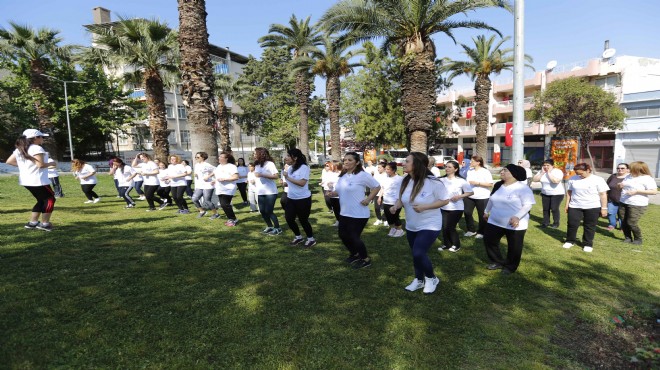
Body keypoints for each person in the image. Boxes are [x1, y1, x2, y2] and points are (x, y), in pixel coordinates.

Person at [389, 153, 449, 294]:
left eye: (407, 161)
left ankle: (431, 278)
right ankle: (419, 280)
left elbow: (445, 200)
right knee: (416, 254)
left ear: (417, 164)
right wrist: (395, 206)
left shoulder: (433, 182)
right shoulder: (405, 181)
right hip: (412, 225)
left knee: (418, 252)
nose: (403, 164)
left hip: (430, 224)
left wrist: (425, 207)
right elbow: (401, 199)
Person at [328, 152, 381, 269]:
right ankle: (355, 254)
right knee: (342, 235)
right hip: (345, 212)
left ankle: (365, 259)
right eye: (345, 160)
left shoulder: (363, 175)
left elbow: (377, 187)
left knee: (353, 236)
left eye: (350, 160)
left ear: (357, 162)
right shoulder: (342, 176)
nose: (346, 162)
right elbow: (340, 191)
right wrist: (333, 193)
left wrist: (368, 199)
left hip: (359, 213)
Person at [483, 164, 536, 274]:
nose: (502, 172)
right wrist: (486, 211)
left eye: (505, 170)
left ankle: (511, 266)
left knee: (514, 246)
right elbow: (492, 199)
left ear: (514, 174)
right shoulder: (498, 185)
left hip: (515, 223)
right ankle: (497, 261)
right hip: (495, 220)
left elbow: (528, 205)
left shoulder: (523, 188)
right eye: (502, 170)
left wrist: (517, 216)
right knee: (489, 240)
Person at [5, 129, 56, 231]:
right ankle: (45, 224)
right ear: (35, 138)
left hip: (26, 180)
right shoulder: (37, 148)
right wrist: (52, 163)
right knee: (50, 199)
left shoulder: (20, 149)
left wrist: (25, 167)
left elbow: (9, 161)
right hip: (38, 180)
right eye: (41, 137)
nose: (42, 139)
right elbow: (40, 165)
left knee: (41, 200)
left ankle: (32, 223)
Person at [563, 163, 609, 252]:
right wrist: (567, 205)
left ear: (588, 170)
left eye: (581, 173)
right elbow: (569, 192)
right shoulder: (573, 178)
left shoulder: (598, 180)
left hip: (592, 206)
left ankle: (587, 243)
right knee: (572, 224)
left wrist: (604, 208)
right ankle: (570, 240)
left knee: (589, 226)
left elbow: (603, 194)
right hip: (575, 206)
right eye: (577, 173)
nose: (579, 175)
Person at [618, 161, 658, 245]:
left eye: (631, 168)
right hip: (623, 201)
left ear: (638, 169)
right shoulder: (629, 176)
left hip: (637, 204)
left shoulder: (647, 178)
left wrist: (637, 191)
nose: (629, 170)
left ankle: (638, 239)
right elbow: (622, 186)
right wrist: (620, 185)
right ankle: (628, 238)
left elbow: (654, 191)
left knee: (631, 222)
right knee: (623, 221)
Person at [283, 148, 316, 248]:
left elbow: (302, 183)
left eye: (288, 156)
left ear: (295, 157)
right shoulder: (290, 168)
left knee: (303, 220)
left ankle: (311, 239)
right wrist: (285, 183)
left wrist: (287, 178)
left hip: (303, 199)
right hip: (291, 198)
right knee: (289, 218)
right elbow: (291, 182)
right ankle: (298, 237)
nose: (286, 158)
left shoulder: (304, 168)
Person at [439, 160, 474, 252]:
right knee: (444, 226)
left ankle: (456, 245)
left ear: (455, 169)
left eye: (449, 167)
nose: (447, 168)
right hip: (444, 207)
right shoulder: (441, 180)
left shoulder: (461, 181)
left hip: (457, 208)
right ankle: (447, 244)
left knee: (450, 227)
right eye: (446, 166)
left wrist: (459, 196)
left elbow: (470, 192)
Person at [253, 147, 282, 235]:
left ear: (261, 154)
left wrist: (262, 175)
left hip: (270, 192)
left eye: (255, 153)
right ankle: (269, 226)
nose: (253, 155)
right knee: (262, 211)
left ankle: (277, 228)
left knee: (269, 211)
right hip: (260, 191)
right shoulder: (257, 165)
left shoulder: (270, 164)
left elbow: (276, 176)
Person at [463, 155, 493, 239]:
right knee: (467, 212)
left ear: (478, 162)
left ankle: (482, 232)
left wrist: (477, 183)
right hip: (469, 195)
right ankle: (471, 230)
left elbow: (490, 184)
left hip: (482, 196)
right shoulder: (470, 171)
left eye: (472, 161)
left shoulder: (485, 171)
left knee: (482, 215)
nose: (470, 162)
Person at [533, 159, 565, 228]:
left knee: (554, 208)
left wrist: (549, 173)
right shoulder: (542, 172)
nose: (546, 167)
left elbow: (555, 181)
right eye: (544, 165)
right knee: (545, 209)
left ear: (552, 166)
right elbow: (535, 180)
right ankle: (545, 223)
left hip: (557, 194)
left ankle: (556, 223)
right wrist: (542, 173)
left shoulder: (558, 172)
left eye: (548, 165)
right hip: (545, 193)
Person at [212, 151, 239, 226]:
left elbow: (236, 177)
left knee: (225, 204)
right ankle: (231, 218)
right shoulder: (219, 166)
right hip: (220, 188)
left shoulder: (231, 166)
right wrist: (214, 181)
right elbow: (218, 177)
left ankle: (233, 219)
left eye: (221, 157)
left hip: (228, 188)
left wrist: (225, 179)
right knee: (223, 204)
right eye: (219, 157)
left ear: (226, 159)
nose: (219, 158)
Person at [191, 152, 219, 219]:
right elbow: (197, 172)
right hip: (200, 185)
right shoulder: (196, 165)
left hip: (208, 185)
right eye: (196, 157)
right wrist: (196, 174)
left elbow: (216, 170)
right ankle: (202, 211)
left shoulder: (207, 165)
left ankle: (216, 214)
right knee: (194, 198)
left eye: (198, 157)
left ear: (203, 158)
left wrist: (208, 176)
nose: (196, 158)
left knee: (207, 200)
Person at [379, 162, 404, 237]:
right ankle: (392, 228)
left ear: (393, 170)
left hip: (395, 202)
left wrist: (398, 202)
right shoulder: (385, 178)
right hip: (386, 201)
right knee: (388, 217)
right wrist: (380, 197)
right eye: (386, 169)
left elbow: (401, 191)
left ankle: (399, 230)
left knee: (395, 217)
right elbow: (382, 188)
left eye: (388, 169)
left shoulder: (399, 179)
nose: (386, 170)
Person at [605, 163, 629, 231]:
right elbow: (606, 185)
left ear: (627, 169)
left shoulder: (629, 178)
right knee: (610, 213)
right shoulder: (613, 176)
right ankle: (612, 224)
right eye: (618, 168)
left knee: (622, 214)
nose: (620, 169)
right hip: (611, 199)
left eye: (622, 168)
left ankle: (622, 227)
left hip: (624, 200)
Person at [372, 162, 388, 226]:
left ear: (384, 168)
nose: (378, 169)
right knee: (377, 207)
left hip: (386, 193)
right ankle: (379, 219)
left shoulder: (387, 175)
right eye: (378, 167)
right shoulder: (376, 175)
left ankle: (385, 219)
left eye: (379, 167)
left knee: (386, 208)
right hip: (377, 193)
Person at [327, 161, 342, 227]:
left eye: (332, 165)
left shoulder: (342, 173)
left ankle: (343, 221)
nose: (331, 166)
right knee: (335, 209)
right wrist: (329, 185)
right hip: (332, 194)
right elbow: (329, 182)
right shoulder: (331, 173)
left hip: (340, 195)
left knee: (341, 209)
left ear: (336, 166)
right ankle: (338, 220)